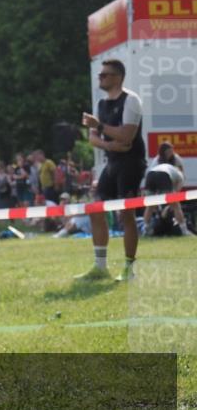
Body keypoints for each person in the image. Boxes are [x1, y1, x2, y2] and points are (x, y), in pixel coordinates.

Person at [78, 59, 146, 281]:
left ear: (118, 77)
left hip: (131, 163)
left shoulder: (131, 100)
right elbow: (93, 139)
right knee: (95, 209)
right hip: (113, 161)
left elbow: (127, 136)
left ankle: (129, 269)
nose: (100, 78)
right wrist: (108, 143)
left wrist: (99, 126)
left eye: (104, 75)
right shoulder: (100, 104)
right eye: (100, 75)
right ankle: (100, 267)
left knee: (126, 214)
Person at [142, 153, 193, 236]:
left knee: (150, 206)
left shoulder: (166, 168)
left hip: (150, 175)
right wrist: (169, 205)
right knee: (176, 205)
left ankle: (145, 229)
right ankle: (184, 230)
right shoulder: (180, 175)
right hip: (163, 175)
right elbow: (176, 193)